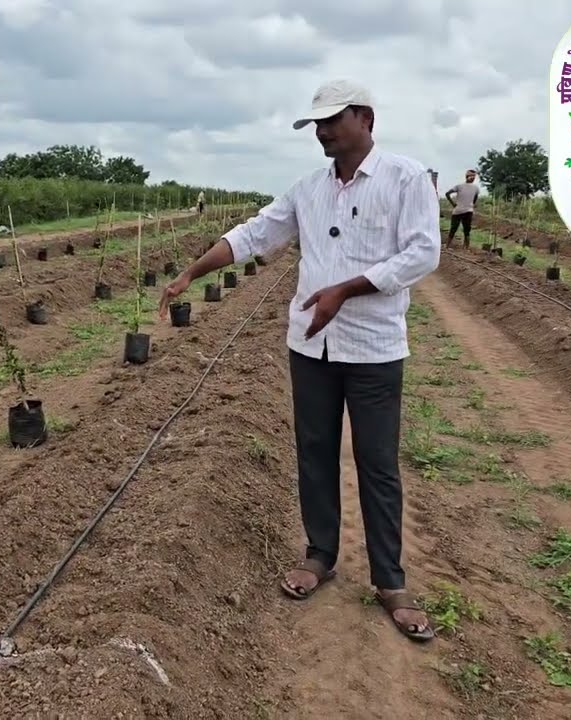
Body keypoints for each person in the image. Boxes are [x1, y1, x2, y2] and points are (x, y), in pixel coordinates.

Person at [158, 79, 441, 642]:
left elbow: (422, 253)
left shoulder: (406, 178)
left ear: (366, 118)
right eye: (316, 123)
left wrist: (347, 289)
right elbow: (253, 235)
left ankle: (390, 580)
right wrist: (192, 271)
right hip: (310, 347)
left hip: (374, 348)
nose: (323, 131)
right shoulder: (307, 189)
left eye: (333, 120)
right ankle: (320, 555)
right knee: (313, 451)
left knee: (376, 462)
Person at [444, 170, 480, 248]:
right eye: (471, 176)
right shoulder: (459, 186)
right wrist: (453, 204)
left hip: (467, 211)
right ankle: (447, 246)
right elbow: (447, 194)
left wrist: (471, 204)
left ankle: (466, 247)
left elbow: (475, 197)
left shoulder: (476, 188)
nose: (472, 178)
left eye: (474, 177)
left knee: (466, 230)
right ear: (466, 176)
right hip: (458, 211)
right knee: (454, 229)